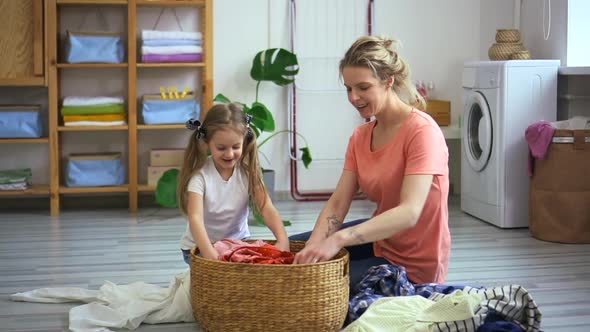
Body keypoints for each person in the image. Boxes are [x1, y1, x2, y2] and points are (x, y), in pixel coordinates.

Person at [292, 35, 450, 287]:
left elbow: (410, 213)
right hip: (381, 242)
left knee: (314, 282)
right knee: (294, 256)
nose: (353, 97)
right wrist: (314, 245)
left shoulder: (422, 132)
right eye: (348, 88)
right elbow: (338, 203)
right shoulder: (360, 136)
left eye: (363, 87)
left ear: (388, 81)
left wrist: (338, 239)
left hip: (412, 267)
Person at [178, 102, 290, 263]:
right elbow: (195, 218)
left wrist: (282, 239)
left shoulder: (247, 172)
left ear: (244, 141)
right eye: (221, 148)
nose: (229, 154)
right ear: (207, 143)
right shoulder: (200, 176)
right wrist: (209, 253)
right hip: (200, 247)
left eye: (236, 146)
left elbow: (266, 207)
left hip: (238, 243)